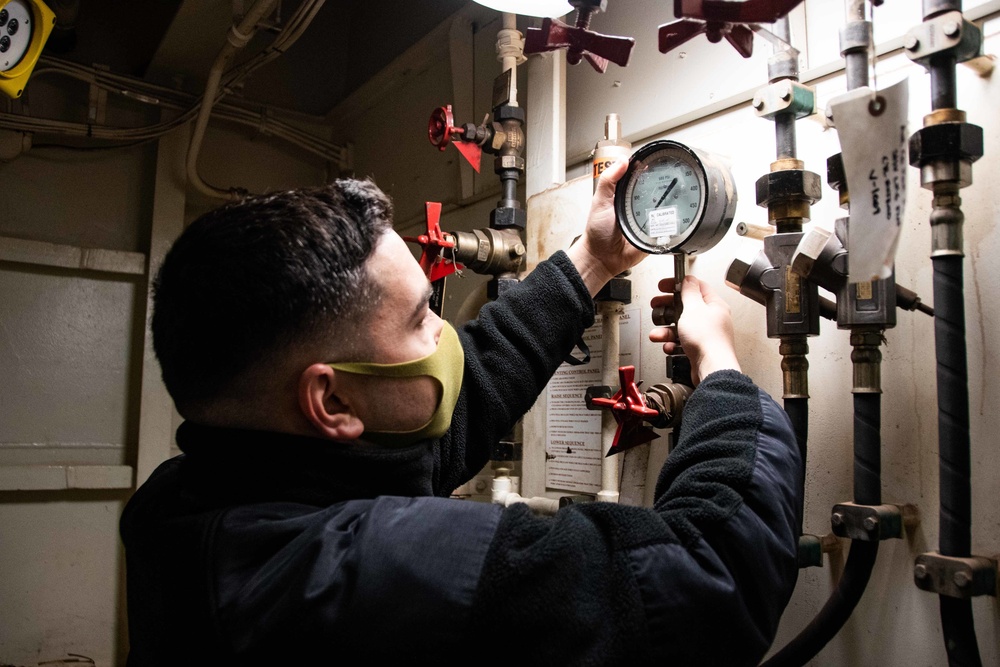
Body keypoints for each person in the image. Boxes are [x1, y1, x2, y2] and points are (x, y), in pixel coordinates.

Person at [120, 162, 801, 665]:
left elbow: (449, 409)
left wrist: (591, 258)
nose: (445, 335)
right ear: (332, 401)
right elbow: (712, 576)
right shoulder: (389, 573)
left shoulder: (183, 510)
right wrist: (721, 370)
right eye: (421, 319)